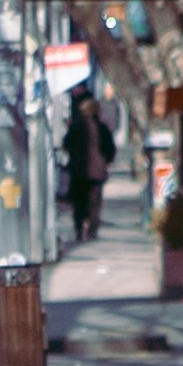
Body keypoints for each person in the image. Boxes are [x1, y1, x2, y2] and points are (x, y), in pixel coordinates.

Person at [60, 79, 107, 249]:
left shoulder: (76, 126)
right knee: (94, 202)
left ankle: (80, 229)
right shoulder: (101, 127)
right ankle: (92, 230)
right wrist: (105, 161)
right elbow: (109, 147)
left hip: (78, 171)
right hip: (97, 172)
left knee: (79, 202)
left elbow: (67, 144)